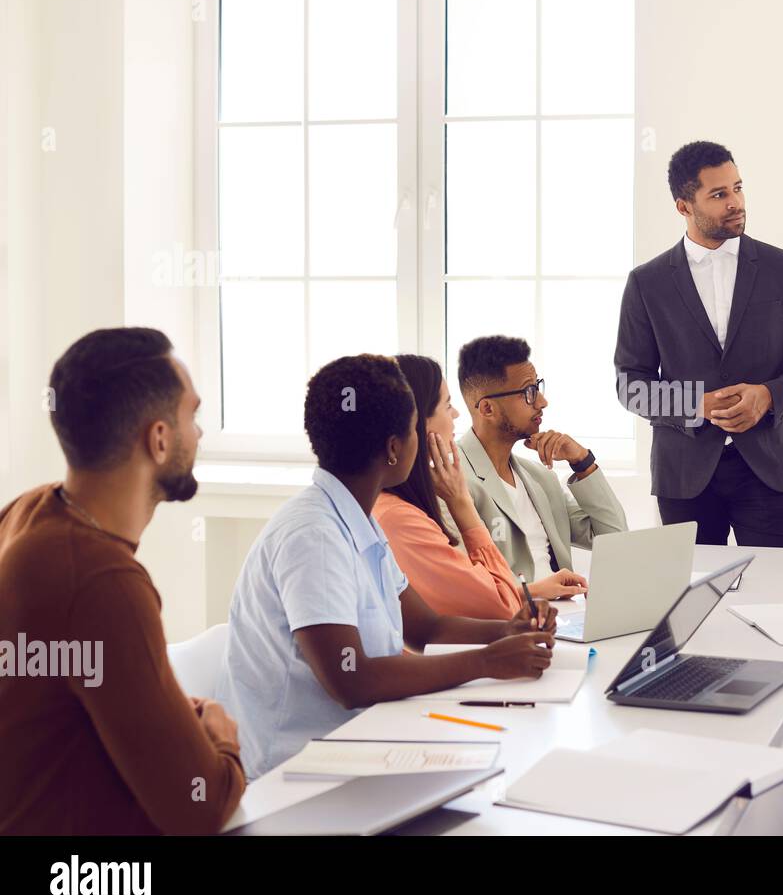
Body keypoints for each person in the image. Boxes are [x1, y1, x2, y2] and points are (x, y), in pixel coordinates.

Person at [214, 354, 558, 779]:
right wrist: (486, 661)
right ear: (395, 448)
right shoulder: (315, 535)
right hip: (299, 774)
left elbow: (426, 628)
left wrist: (510, 630)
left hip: (361, 745)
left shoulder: (358, 521)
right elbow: (351, 678)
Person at [0, 327, 245, 834]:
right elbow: (198, 810)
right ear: (159, 439)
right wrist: (223, 741)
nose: (198, 433)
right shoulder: (102, 580)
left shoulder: (26, 513)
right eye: (192, 416)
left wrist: (180, 711)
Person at [615, 140, 783, 547]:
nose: (735, 202)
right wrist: (694, 405)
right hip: (683, 478)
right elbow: (630, 385)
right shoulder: (647, 283)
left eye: (737, 188)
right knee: (691, 607)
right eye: (718, 194)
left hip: (768, 471)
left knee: (778, 600)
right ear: (684, 206)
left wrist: (768, 396)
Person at [375, 354, 588, 619]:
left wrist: (584, 462)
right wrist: (461, 503)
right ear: (415, 423)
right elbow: (493, 603)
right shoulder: (401, 516)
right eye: (447, 405)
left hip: (543, 612)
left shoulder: (537, 476)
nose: (455, 414)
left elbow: (428, 628)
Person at [453, 335, 627, 581]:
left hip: (565, 612)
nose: (542, 402)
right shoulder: (452, 480)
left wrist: (583, 463)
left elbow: (615, 538)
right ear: (487, 409)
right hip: (514, 615)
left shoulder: (540, 477)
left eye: (538, 387)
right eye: (528, 392)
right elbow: (463, 582)